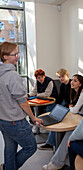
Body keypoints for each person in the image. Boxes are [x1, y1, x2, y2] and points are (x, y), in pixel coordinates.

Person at [0, 41, 43, 170]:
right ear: (5, 56)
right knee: (31, 147)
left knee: (10, 148)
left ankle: (8, 167)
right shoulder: (12, 75)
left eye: (18, 54)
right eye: (15, 54)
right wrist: (33, 117)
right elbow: (22, 102)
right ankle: (9, 167)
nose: (18, 57)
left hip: (3, 120)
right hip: (15, 121)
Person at [43, 74, 83, 170]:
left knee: (70, 133)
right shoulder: (82, 95)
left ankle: (57, 162)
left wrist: (71, 108)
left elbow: (77, 110)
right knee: (62, 123)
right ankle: (54, 149)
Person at [38, 68, 71, 150]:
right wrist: (57, 108)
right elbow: (60, 98)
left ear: (67, 75)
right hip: (64, 105)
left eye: (62, 76)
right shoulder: (63, 85)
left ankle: (50, 143)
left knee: (55, 122)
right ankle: (50, 142)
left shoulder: (71, 85)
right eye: (59, 77)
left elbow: (70, 101)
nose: (61, 79)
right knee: (52, 116)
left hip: (69, 107)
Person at [29, 69, 58, 133]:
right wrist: (29, 95)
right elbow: (34, 90)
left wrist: (37, 95)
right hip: (42, 99)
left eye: (42, 76)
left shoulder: (50, 81)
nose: (41, 79)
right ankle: (35, 124)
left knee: (47, 111)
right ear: (36, 78)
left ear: (44, 76)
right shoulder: (37, 82)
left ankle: (48, 127)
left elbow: (47, 94)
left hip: (51, 100)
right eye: (39, 78)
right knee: (31, 107)